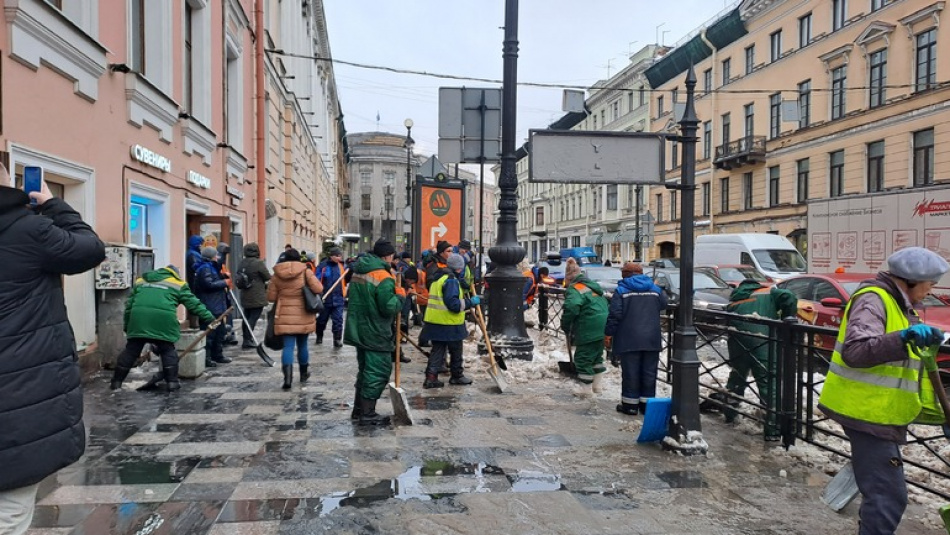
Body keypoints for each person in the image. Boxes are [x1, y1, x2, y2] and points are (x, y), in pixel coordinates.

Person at [0, 168, 105, 535]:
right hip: (18, 396)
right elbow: (89, 248)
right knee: (9, 509)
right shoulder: (27, 229)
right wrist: (53, 204)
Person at [818, 247, 949, 535]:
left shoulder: (899, 303)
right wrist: (903, 338)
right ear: (912, 280)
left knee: (883, 493)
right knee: (888, 496)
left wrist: (941, 417)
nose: (929, 292)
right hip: (867, 412)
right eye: (930, 285)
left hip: (878, 412)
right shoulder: (873, 300)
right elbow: (856, 351)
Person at [110, 265, 215, 391]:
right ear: (175, 274)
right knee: (167, 349)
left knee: (131, 350)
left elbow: (129, 306)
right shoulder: (178, 284)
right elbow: (194, 304)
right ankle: (172, 383)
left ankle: (116, 383)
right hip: (163, 320)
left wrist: (128, 326)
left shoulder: (141, 281)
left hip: (139, 318)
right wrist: (209, 318)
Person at [721, 278, 798, 437]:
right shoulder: (768, 292)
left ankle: (730, 413)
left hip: (737, 341)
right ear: (757, 285)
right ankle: (772, 430)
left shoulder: (733, 301)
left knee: (737, 377)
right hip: (762, 340)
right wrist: (787, 318)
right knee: (768, 382)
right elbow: (789, 297)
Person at [344, 238, 406, 425]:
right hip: (375, 331)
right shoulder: (384, 277)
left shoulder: (358, 272)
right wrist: (400, 297)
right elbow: (388, 307)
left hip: (359, 329)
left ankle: (358, 410)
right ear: (387, 256)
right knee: (377, 371)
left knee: (364, 370)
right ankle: (367, 413)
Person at [605, 262, 668, 415]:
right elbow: (664, 304)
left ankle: (630, 406)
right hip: (651, 338)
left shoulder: (621, 291)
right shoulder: (655, 289)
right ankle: (647, 406)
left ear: (625, 274)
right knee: (649, 372)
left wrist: (608, 333)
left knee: (630, 372)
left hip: (628, 338)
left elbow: (615, 315)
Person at [421, 253, 479, 388]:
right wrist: (471, 302)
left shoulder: (439, 277)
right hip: (449, 323)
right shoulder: (451, 280)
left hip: (435, 321)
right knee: (456, 350)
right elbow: (454, 305)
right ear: (459, 268)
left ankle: (431, 377)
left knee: (438, 350)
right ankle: (457, 375)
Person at [268, 248, 323, 389]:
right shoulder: (305, 271)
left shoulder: (277, 274)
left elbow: (271, 297)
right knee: (303, 345)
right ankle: (303, 374)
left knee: (288, 347)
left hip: (284, 315)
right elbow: (318, 288)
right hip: (304, 313)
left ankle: (287, 379)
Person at [561, 258, 609, 396]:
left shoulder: (575, 289)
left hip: (589, 325)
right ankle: (597, 386)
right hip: (603, 325)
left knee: (583, 357)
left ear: (569, 279)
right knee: (596, 356)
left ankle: (586, 390)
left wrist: (565, 324)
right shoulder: (593, 287)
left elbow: (572, 306)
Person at [193, 247, 232, 367]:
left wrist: (223, 277)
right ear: (211, 256)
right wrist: (224, 283)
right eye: (216, 255)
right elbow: (208, 284)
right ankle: (207, 357)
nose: (218, 257)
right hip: (210, 305)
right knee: (209, 333)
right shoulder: (205, 268)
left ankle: (218, 355)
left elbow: (213, 280)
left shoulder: (211, 267)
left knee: (220, 332)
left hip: (217, 304)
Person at [238, 243, 271, 349]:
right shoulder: (258, 263)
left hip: (245, 293)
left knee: (246, 316)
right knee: (254, 317)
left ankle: (246, 339)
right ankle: (248, 339)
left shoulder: (242, 262)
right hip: (256, 294)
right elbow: (267, 276)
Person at [316, 247, 347, 347]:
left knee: (338, 320)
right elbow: (316, 280)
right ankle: (319, 336)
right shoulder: (323, 266)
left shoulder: (341, 266)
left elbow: (346, 279)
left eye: (340, 256)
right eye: (337, 256)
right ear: (332, 256)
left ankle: (337, 339)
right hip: (326, 298)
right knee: (322, 320)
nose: (339, 258)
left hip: (338, 298)